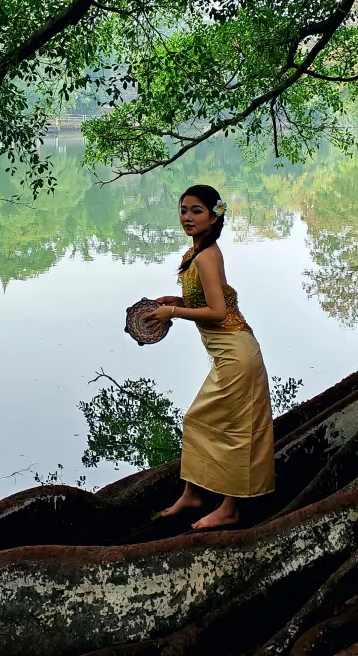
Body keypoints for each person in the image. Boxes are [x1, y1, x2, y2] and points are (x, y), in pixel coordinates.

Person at [144, 184, 275, 530]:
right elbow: (211, 300)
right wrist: (177, 301)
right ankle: (193, 493)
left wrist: (173, 310)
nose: (187, 217)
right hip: (230, 354)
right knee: (198, 421)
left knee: (235, 430)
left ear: (213, 215)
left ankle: (230, 508)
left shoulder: (205, 256)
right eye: (183, 210)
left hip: (236, 355)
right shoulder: (201, 251)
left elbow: (217, 312)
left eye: (196, 211)